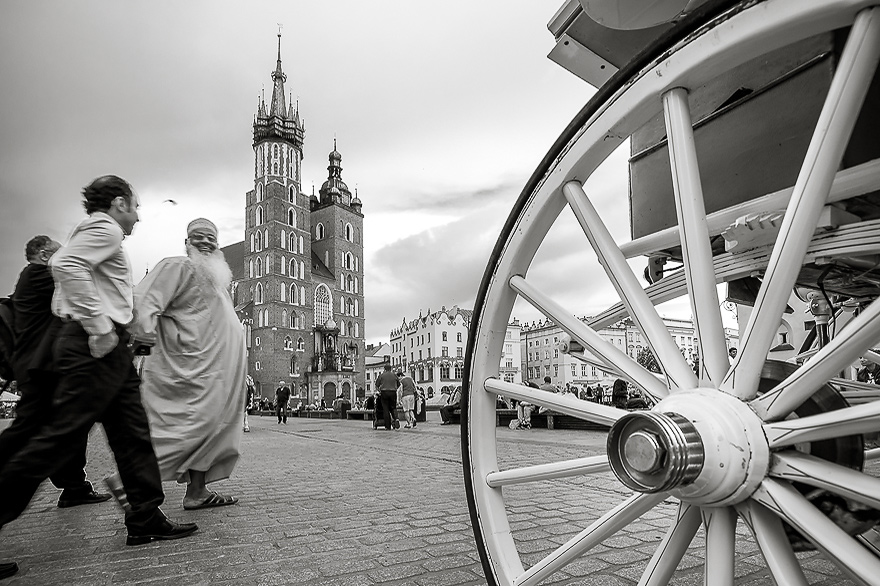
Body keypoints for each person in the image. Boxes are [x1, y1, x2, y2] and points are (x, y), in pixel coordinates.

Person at [0, 176, 197, 580]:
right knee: (57, 438)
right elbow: (65, 265)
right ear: (119, 202)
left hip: (108, 348)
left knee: (132, 432)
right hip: (95, 347)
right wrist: (98, 325)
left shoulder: (98, 232)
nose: (139, 216)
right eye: (135, 207)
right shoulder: (104, 227)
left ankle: (144, 516)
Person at [129, 217, 246, 511]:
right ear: (187, 243)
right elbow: (144, 301)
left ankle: (197, 492)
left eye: (211, 237)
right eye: (198, 237)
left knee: (209, 433)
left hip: (215, 374)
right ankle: (130, 489)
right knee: (182, 432)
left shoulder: (218, 281)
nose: (206, 242)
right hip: (189, 370)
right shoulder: (177, 267)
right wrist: (142, 345)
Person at [0, 236, 111, 511]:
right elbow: (78, 288)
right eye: (57, 255)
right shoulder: (37, 275)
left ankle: (75, 487)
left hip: (46, 366)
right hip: (40, 367)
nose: (61, 261)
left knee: (66, 428)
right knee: (34, 432)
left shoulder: (33, 278)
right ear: (42, 254)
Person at [375, 365, 400, 430]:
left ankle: (388, 426)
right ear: (391, 369)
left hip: (384, 392)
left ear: (384, 369)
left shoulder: (382, 375)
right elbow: (398, 384)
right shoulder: (394, 375)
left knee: (385, 409)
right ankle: (396, 419)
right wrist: (395, 388)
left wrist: (379, 390)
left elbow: (377, 384)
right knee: (393, 407)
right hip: (393, 392)